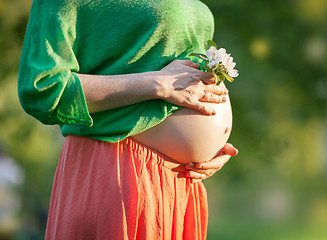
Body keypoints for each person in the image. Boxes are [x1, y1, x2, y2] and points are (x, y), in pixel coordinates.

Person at [18, 0, 238, 239]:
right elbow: (42, 89)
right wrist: (158, 84)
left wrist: (212, 145)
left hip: (184, 180)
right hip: (121, 169)